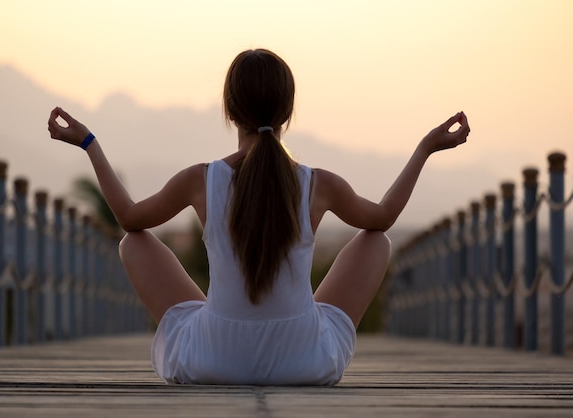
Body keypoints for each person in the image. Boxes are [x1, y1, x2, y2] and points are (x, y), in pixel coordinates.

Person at [47, 48, 470, 385]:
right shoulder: (317, 183)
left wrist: (88, 143)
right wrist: (424, 150)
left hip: (213, 359)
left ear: (229, 110)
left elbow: (128, 217)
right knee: (377, 239)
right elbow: (384, 216)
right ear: (287, 112)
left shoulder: (201, 180)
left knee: (132, 240)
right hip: (303, 361)